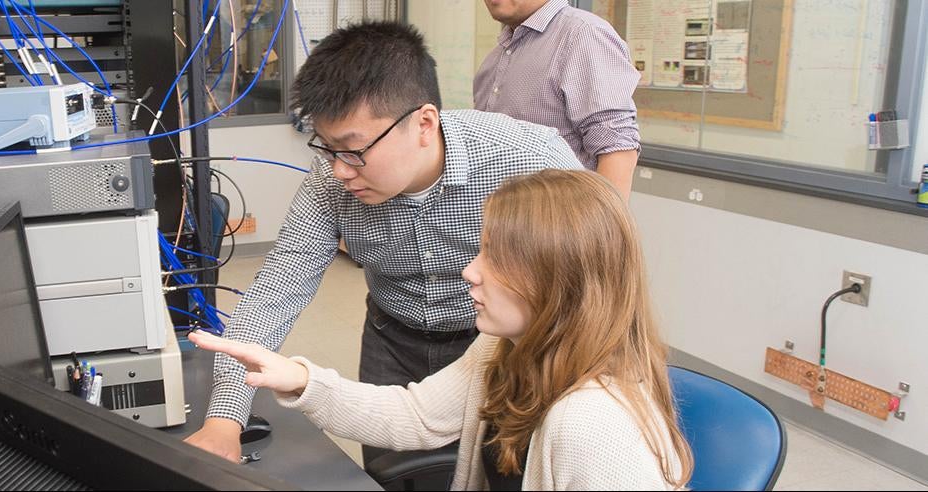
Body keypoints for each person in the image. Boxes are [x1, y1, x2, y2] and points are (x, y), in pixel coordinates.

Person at [183, 21, 583, 464]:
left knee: (502, 468)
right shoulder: (332, 180)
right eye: (327, 148)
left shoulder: (530, 159)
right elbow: (277, 290)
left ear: (424, 123)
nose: (339, 170)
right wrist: (224, 419)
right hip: (392, 340)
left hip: (503, 344)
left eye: (354, 150)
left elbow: (596, 280)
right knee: (390, 472)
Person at [190, 169, 694, 490]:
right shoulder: (505, 348)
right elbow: (415, 415)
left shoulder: (591, 423)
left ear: (556, 280)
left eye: (493, 256)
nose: (470, 271)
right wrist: (300, 379)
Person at [475, 0, 641, 198]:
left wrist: (601, 228)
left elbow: (617, 149)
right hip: (503, 222)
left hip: (561, 224)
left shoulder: (583, 34)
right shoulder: (495, 59)